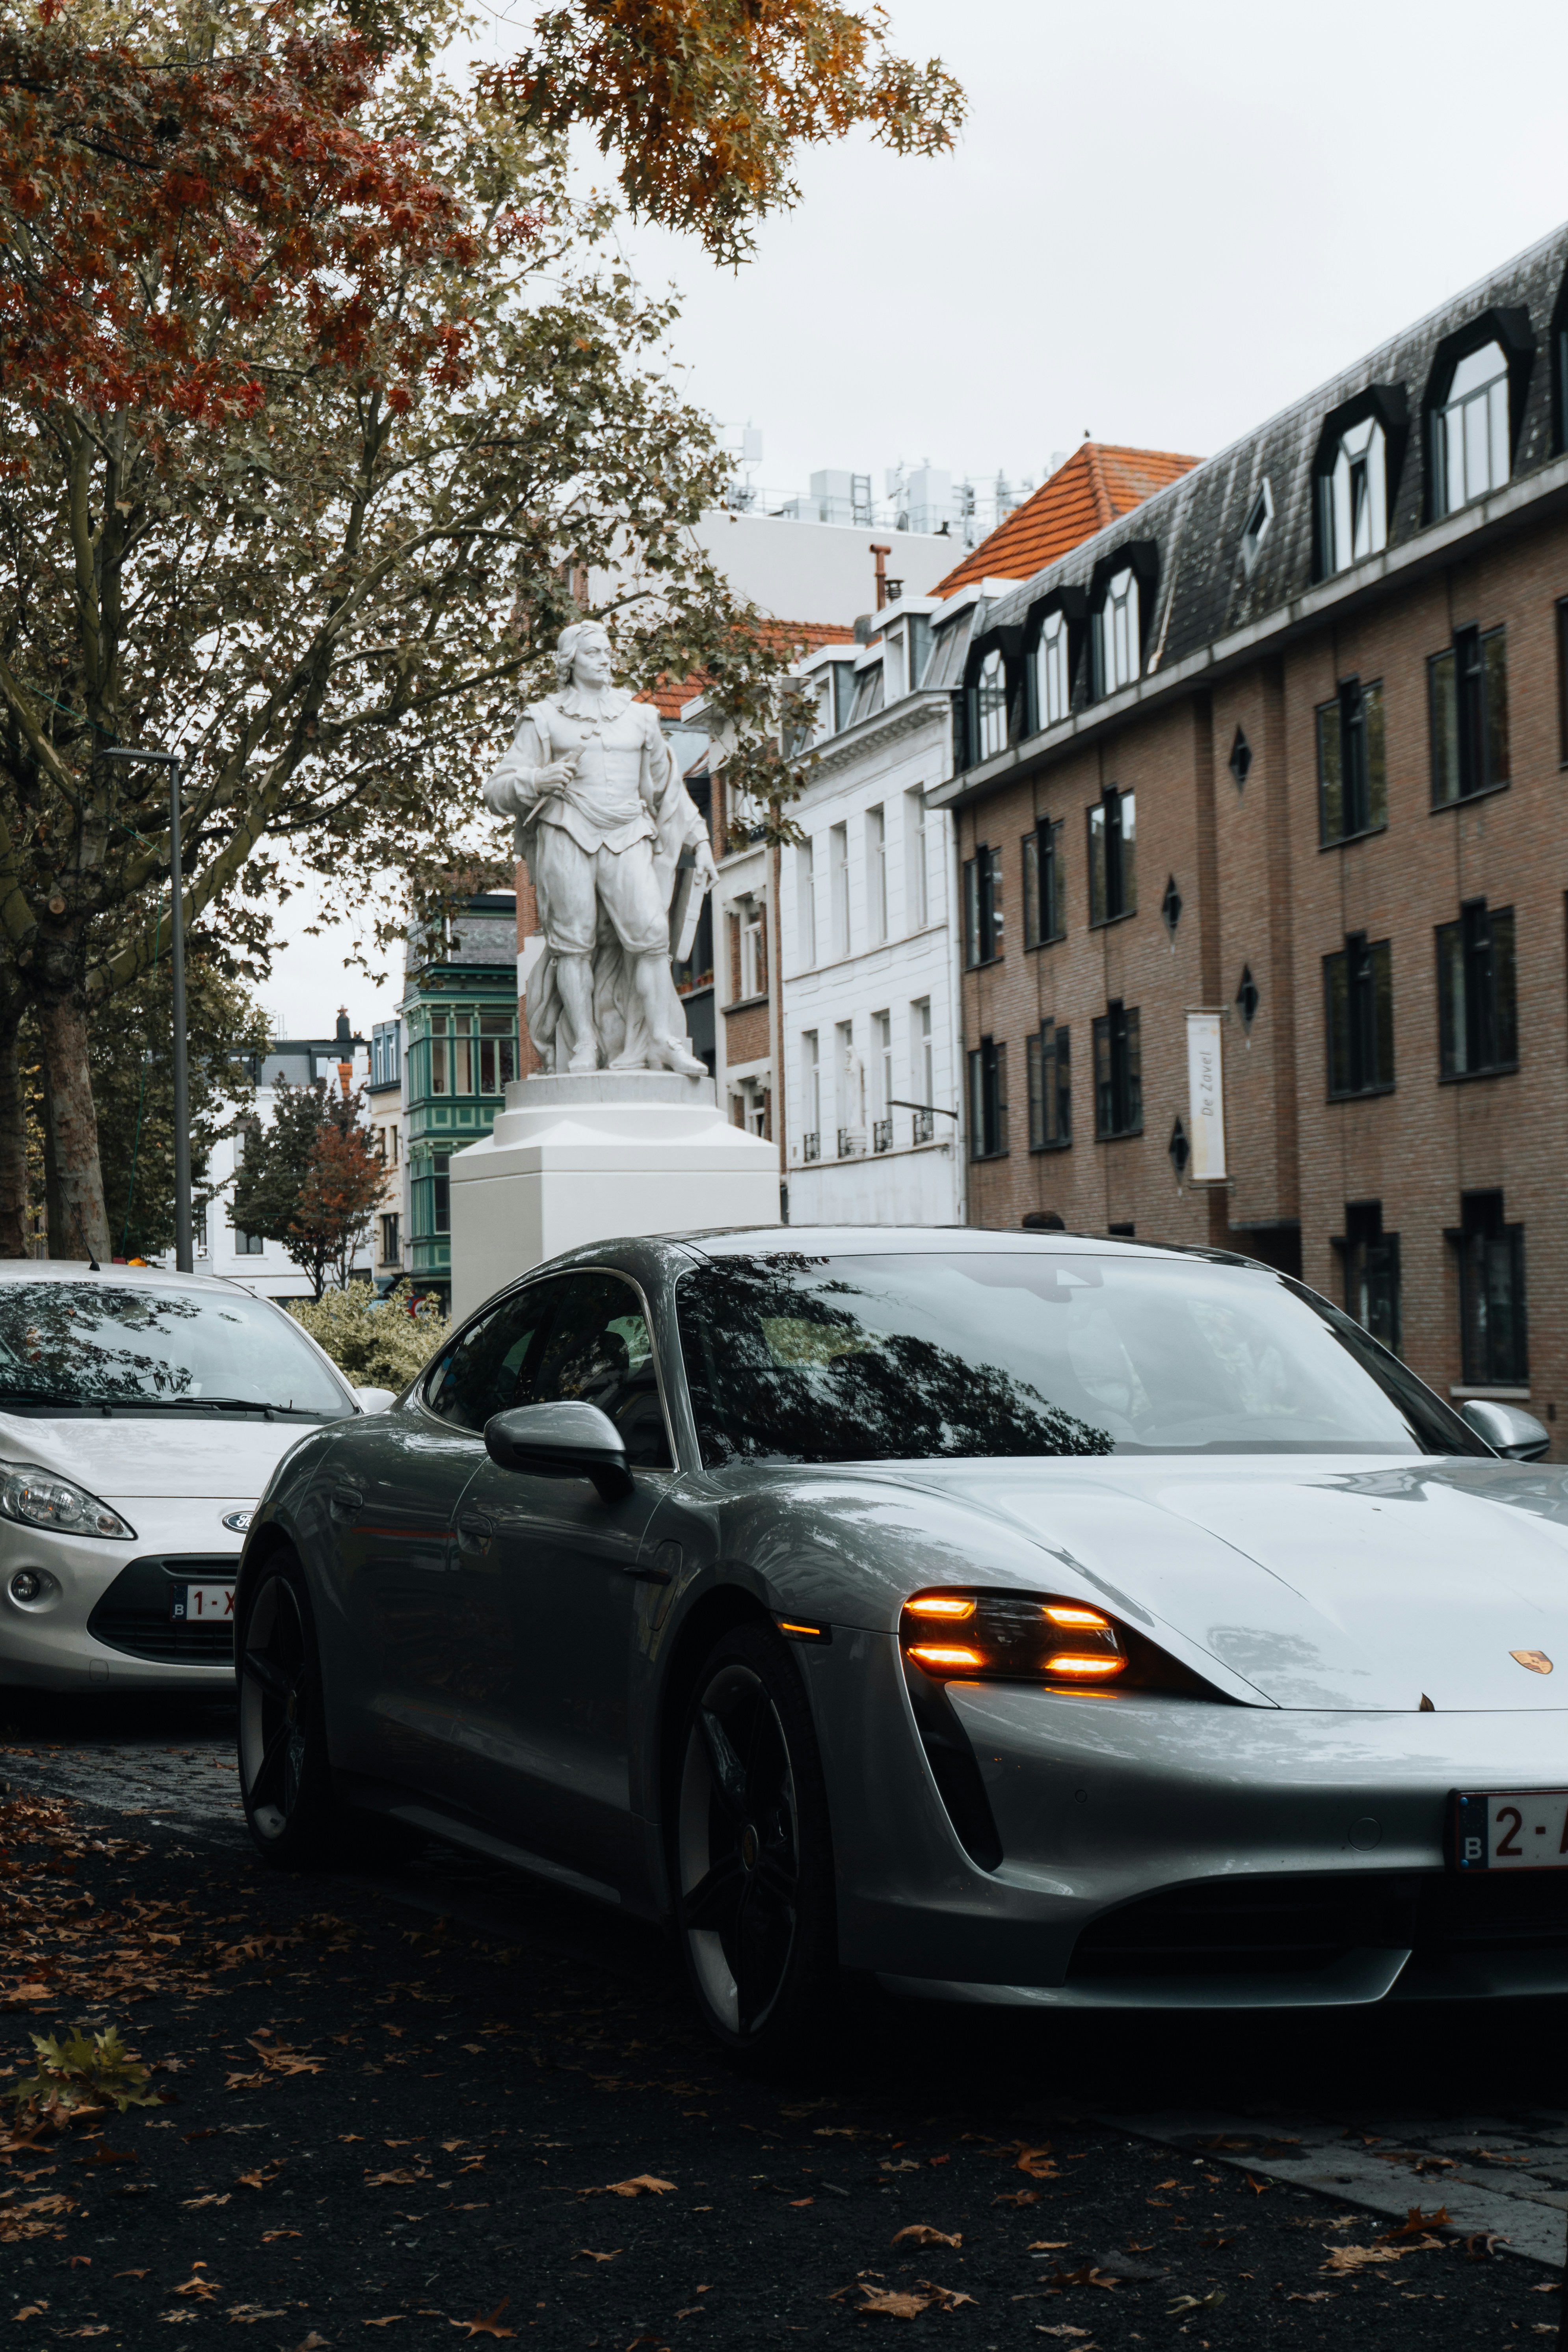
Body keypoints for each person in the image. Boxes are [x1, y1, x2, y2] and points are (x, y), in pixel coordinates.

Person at [484, 622, 718, 1074]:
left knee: (651, 939)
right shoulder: (544, 718)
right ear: (570, 660)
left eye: (608, 651)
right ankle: (585, 1045)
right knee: (573, 945)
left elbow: (670, 793)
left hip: (629, 833)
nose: (605, 659)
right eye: (593, 652)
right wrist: (535, 779)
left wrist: (701, 843)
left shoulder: (641, 717)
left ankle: (663, 1040)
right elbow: (495, 790)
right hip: (566, 832)